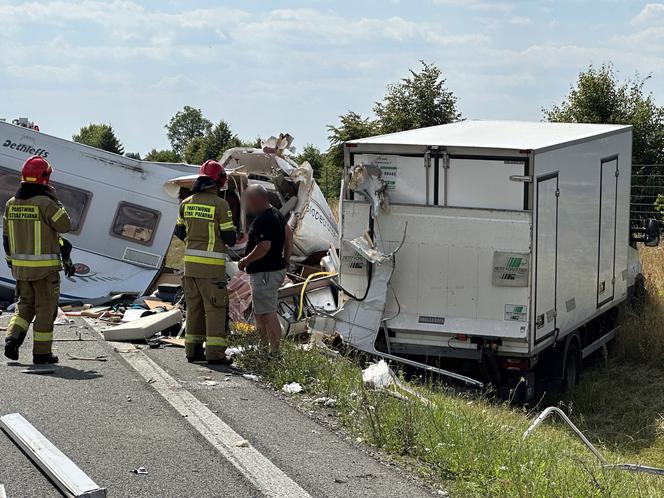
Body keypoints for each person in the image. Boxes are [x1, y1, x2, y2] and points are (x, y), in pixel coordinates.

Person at [3, 156, 72, 364]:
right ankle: (41, 353)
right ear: (45, 178)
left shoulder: (11, 203)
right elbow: (65, 225)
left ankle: (11, 339)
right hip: (45, 271)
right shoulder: (45, 202)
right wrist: (56, 201)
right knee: (45, 308)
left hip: (20, 269)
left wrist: (11, 263)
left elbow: (6, 238)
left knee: (24, 306)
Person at [175, 160, 237, 364]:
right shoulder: (221, 205)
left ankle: (192, 350)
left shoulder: (186, 203)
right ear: (218, 181)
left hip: (189, 268)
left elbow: (180, 232)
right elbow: (229, 238)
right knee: (215, 310)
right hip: (211, 270)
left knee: (194, 309)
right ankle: (215, 353)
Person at [238, 185, 293, 355]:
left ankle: (275, 352)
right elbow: (289, 234)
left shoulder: (264, 219)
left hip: (265, 274)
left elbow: (264, 246)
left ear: (257, 200)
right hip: (270, 272)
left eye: (248, 200)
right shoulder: (276, 213)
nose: (247, 204)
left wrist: (245, 261)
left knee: (268, 313)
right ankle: (262, 349)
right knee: (259, 312)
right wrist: (286, 260)